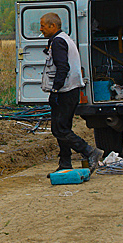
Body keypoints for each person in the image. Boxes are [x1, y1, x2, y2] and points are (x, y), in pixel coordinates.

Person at [40, 12, 103, 174]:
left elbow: (63, 68)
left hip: (65, 92)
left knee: (59, 129)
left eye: (43, 26)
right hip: (71, 90)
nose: (41, 30)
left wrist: (55, 90)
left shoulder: (59, 42)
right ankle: (65, 163)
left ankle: (90, 152)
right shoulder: (64, 39)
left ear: (52, 26)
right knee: (63, 127)